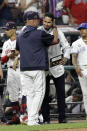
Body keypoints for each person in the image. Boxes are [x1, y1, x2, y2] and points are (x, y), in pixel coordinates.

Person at [15, 11, 56, 126]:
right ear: (32, 20)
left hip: (24, 68)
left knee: (30, 94)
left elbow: (17, 49)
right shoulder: (40, 33)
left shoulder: (20, 34)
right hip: (37, 68)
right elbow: (54, 40)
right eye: (37, 19)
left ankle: (31, 119)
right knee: (39, 93)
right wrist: (55, 28)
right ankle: (32, 119)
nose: (38, 21)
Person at [38, 13, 70, 123]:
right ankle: (46, 119)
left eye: (49, 22)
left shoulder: (59, 32)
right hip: (43, 66)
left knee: (61, 94)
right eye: (45, 21)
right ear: (42, 21)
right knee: (44, 95)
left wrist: (65, 58)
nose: (46, 24)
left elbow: (66, 46)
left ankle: (62, 118)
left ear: (53, 22)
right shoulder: (38, 31)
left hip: (56, 64)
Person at [1, 21, 21, 124]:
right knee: (13, 95)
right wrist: (9, 56)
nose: (6, 31)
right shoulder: (6, 43)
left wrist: (13, 55)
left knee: (23, 94)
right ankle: (16, 117)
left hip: (20, 68)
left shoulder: (21, 39)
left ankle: (24, 116)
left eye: (8, 29)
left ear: (14, 29)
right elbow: (3, 60)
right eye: (6, 29)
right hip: (10, 69)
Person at [71, 23, 87, 118]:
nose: (82, 31)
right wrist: (76, 67)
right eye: (80, 29)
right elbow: (74, 57)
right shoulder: (76, 43)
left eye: (84, 29)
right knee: (85, 94)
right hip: (82, 69)